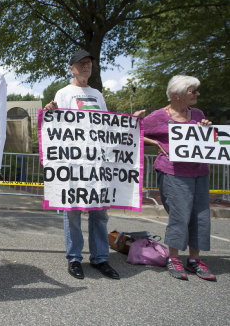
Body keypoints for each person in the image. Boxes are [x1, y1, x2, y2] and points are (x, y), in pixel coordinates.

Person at [44, 49, 144, 280]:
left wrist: (131, 122)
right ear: (71, 68)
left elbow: (107, 126)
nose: (86, 67)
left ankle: (100, 258)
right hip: (74, 162)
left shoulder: (97, 94)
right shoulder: (63, 93)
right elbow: (58, 125)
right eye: (81, 64)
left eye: (88, 63)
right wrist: (52, 111)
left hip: (97, 162)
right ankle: (75, 258)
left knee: (100, 212)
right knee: (73, 212)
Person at [143, 75, 215, 281]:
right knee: (180, 215)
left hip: (199, 171)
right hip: (173, 172)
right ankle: (174, 258)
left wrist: (207, 129)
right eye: (193, 91)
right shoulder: (158, 116)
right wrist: (154, 143)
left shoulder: (198, 114)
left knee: (200, 217)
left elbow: (211, 140)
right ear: (177, 95)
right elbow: (133, 131)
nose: (197, 94)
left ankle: (194, 259)